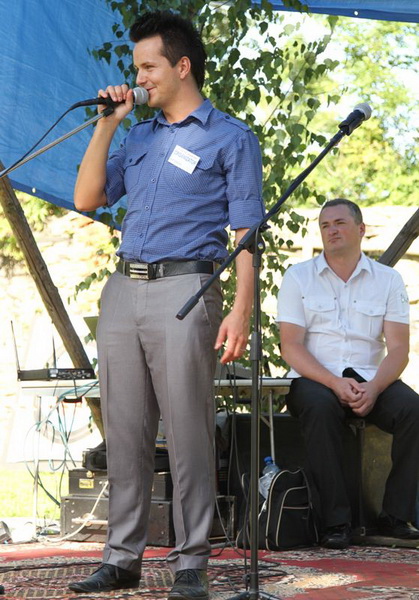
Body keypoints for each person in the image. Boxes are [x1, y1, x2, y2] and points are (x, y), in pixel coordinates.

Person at [69, 10, 264, 598]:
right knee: (125, 432)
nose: (140, 78)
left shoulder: (230, 137)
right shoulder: (140, 135)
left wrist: (241, 309)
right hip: (123, 290)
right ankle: (121, 558)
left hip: (187, 289)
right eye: (136, 69)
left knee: (186, 431)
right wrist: (107, 125)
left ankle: (191, 562)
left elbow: (247, 232)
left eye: (149, 67)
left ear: (182, 66)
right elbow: (86, 198)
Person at [276, 198, 419, 549]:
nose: (332, 230)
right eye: (325, 225)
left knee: (414, 410)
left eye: (339, 223)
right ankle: (336, 522)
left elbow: (398, 349)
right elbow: (290, 346)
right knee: (320, 408)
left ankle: (395, 516)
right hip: (315, 378)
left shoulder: (388, 279)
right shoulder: (298, 277)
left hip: (371, 376)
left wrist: (375, 388)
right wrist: (333, 382)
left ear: (361, 229)